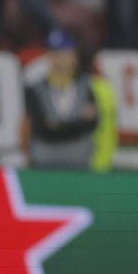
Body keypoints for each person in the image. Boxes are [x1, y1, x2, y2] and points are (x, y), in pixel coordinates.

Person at [24, 29, 116, 171]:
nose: (59, 59)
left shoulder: (91, 86)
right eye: (54, 53)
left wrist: (56, 124)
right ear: (47, 56)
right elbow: (41, 128)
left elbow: (92, 123)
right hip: (44, 166)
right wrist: (77, 120)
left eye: (64, 53)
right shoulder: (35, 89)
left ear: (74, 55)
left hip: (80, 165)